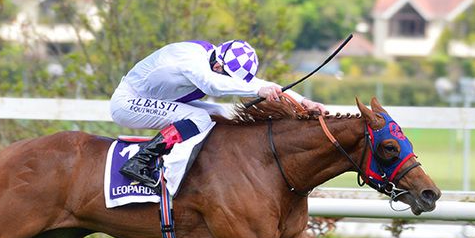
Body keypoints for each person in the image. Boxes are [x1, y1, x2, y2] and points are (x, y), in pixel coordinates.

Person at [111, 39, 326, 188]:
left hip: (155, 100)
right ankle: (140, 162)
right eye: (228, 76)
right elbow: (212, 84)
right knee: (199, 118)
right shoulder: (191, 58)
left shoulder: (218, 60)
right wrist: (257, 91)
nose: (229, 81)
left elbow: (259, 83)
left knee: (223, 112)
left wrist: (304, 102)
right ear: (217, 64)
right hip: (128, 102)